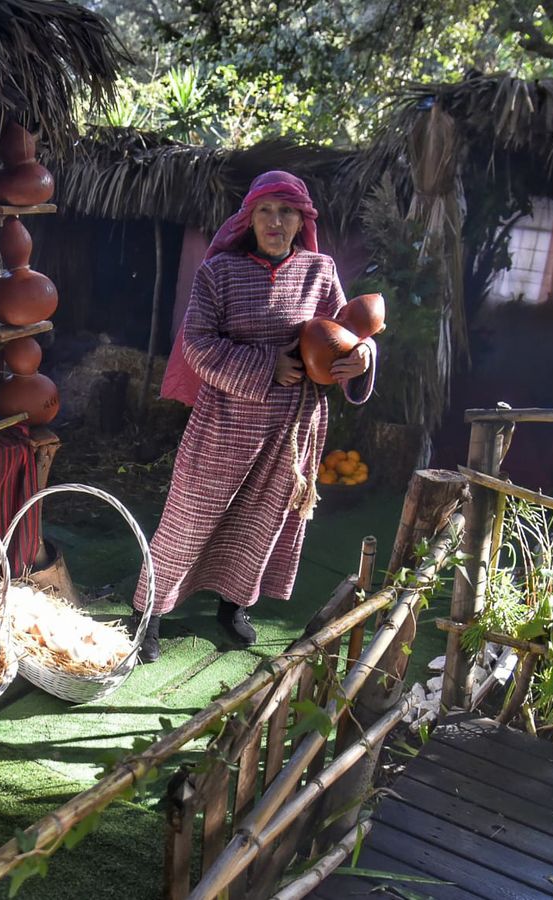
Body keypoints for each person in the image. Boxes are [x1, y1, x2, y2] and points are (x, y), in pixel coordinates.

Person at [134, 171, 375, 663]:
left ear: (301, 220)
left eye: (287, 212)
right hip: (225, 422)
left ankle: (233, 606)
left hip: (293, 427)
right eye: (265, 211)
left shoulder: (320, 271)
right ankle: (149, 614)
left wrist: (363, 357)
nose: (275, 222)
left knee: (261, 523)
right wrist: (268, 365)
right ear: (249, 218)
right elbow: (197, 344)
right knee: (189, 518)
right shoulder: (219, 272)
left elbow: (346, 332)